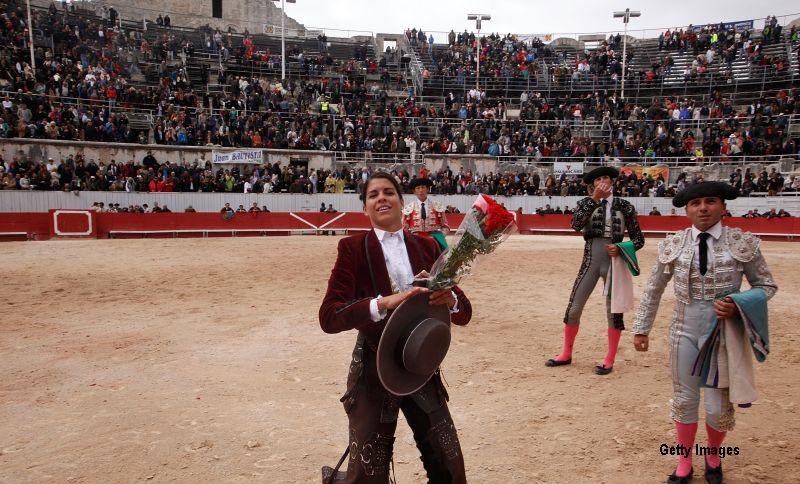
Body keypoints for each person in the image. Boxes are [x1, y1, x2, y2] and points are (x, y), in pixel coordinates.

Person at [319, 172, 472, 483]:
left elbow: (464, 312)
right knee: (368, 474)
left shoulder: (427, 247)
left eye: (389, 192)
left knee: (449, 465)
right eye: (373, 195)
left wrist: (450, 298)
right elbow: (330, 316)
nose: (381, 198)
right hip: (374, 368)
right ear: (365, 208)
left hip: (420, 366)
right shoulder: (352, 248)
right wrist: (384, 303)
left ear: (403, 204)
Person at [632, 181, 777, 484]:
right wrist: (641, 328)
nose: (703, 208)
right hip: (682, 328)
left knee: (716, 405)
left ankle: (713, 454)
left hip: (722, 334)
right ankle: (684, 461)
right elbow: (653, 289)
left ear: (723, 207)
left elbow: (766, 286)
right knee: (684, 400)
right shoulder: (674, 243)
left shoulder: (741, 243)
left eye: (711, 201)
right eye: (696, 203)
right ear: (687, 209)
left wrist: (739, 304)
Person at [546, 166, 645, 375]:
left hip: (613, 263)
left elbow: (639, 239)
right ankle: (566, 353)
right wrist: (594, 199)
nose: (603, 181)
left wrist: (620, 247)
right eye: (599, 179)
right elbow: (575, 224)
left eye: (606, 178)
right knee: (574, 308)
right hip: (590, 261)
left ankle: (609, 359)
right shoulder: (585, 203)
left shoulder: (625, 206)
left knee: (613, 312)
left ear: (612, 181)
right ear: (592, 184)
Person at [403, 177, 450, 251]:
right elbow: (404, 229)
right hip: (416, 242)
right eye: (418, 188)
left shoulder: (437, 206)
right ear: (414, 191)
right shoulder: (408, 208)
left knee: (435, 262)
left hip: (434, 242)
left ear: (428, 189)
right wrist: (411, 239)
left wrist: (438, 237)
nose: (421, 190)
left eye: (423, 187)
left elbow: (445, 227)